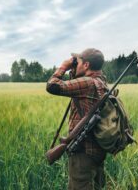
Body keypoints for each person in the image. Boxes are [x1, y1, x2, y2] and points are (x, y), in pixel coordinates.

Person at [46, 48, 108, 190]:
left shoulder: (87, 83)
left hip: (82, 153)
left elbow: (52, 86)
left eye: (78, 62)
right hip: (97, 150)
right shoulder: (101, 82)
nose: (75, 64)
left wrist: (64, 66)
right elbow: (76, 86)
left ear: (86, 65)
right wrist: (75, 70)